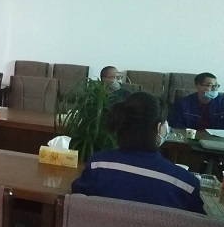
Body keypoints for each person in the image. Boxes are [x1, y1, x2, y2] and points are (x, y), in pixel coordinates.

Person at [71, 92, 205, 214]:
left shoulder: (97, 165)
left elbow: (76, 201)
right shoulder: (186, 184)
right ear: (159, 128)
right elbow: (197, 226)